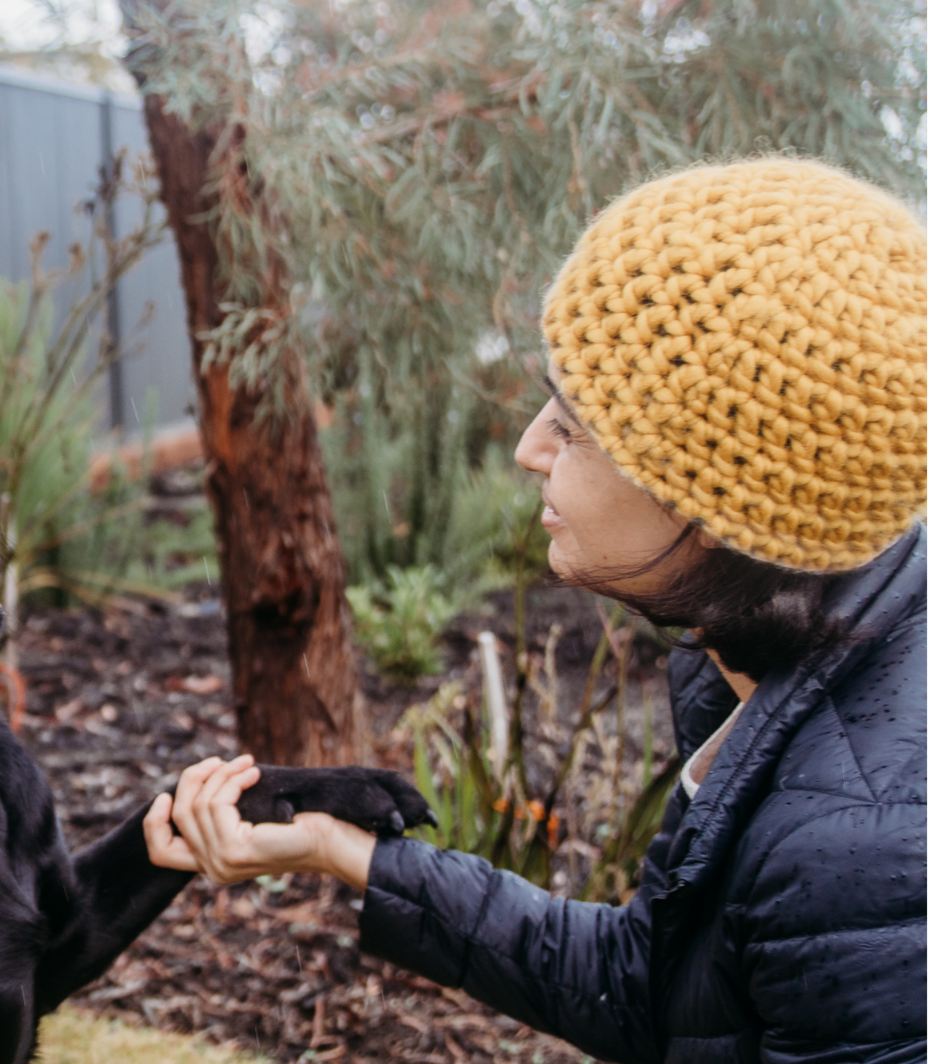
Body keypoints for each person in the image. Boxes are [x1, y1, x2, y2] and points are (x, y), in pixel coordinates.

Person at [144, 158, 927, 1064]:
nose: (527, 447)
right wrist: (339, 849)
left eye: (574, 426)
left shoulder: (866, 857)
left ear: (719, 502)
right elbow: (656, 991)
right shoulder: (787, 659)